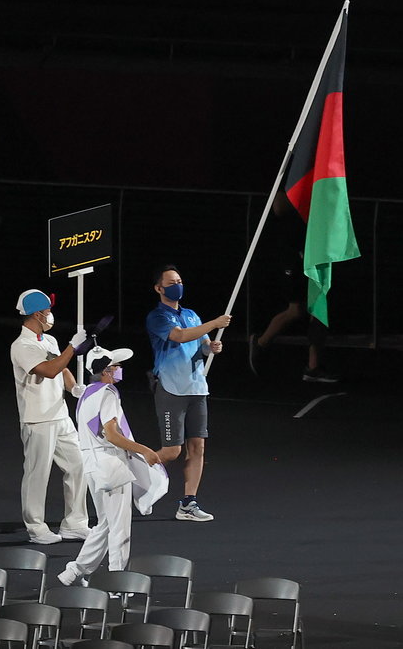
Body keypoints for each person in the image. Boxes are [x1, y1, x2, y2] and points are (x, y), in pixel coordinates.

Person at [59, 346, 162, 586]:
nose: (119, 370)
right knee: (119, 527)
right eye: (116, 366)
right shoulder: (108, 393)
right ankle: (117, 582)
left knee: (105, 523)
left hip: (93, 465)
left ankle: (74, 570)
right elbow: (112, 435)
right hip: (109, 464)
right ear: (106, 371)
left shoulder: (86, 394)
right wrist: (145, 450)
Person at [146, 264, 231, 521]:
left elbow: (202, 346)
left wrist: (211, 348)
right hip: (172, 389)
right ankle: (129, 478)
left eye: (179, 280)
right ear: (159, 288)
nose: (177, 285)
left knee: (197, 448)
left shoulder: (192, 314)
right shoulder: (157, 317)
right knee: (172, 451)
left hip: (196, 388)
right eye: (171, 282)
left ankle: (188, 503)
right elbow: (180, 336)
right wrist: (214, 323)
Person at [10, 288, 92, 545]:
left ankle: (75, 523)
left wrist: (74, 387)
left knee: (79, 465)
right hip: (37, 419)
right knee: (38, 474)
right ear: (37, 313)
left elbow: (62, 368)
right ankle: (36, 528)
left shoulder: (50, 341)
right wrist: (73, 347)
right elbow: (48, 370)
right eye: (48, 310)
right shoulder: (21, 345)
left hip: (60, 415)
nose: (50, 314)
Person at [248, 192, 337, 382]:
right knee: (296, 310)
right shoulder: (292, 181)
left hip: (316, 252)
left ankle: (313, 368)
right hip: (293, 256)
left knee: (318, 308)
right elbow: (279, 207)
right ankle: (261, 343)